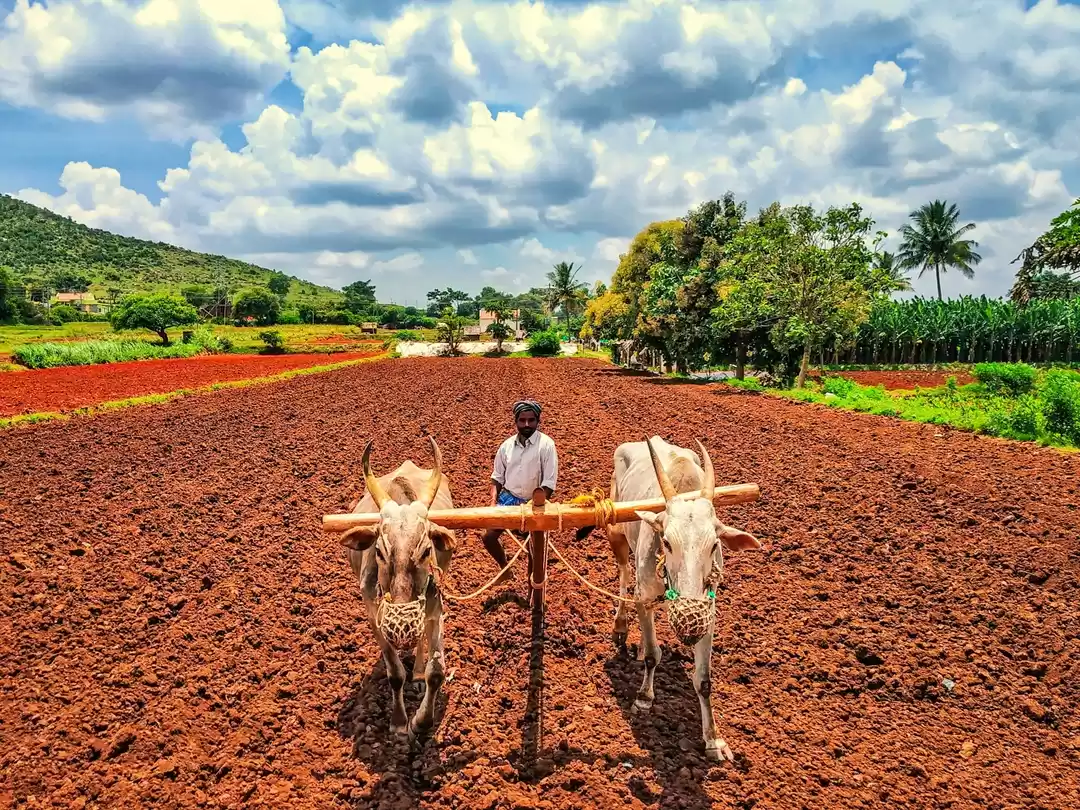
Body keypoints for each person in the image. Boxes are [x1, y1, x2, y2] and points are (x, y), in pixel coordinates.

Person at [482, 399, 558, 581]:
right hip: (509, 499)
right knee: (488, 537)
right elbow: (497, 477)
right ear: (515, 421)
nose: (526, 424)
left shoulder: (547, 445)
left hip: (535, 501)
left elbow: (549, 482)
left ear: (538, 421)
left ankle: (533, 587)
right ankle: (505, 568)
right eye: (522, 420)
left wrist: (536, 505)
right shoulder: (506, 446)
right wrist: (493, 503)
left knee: (535, 549)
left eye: (531, 420)